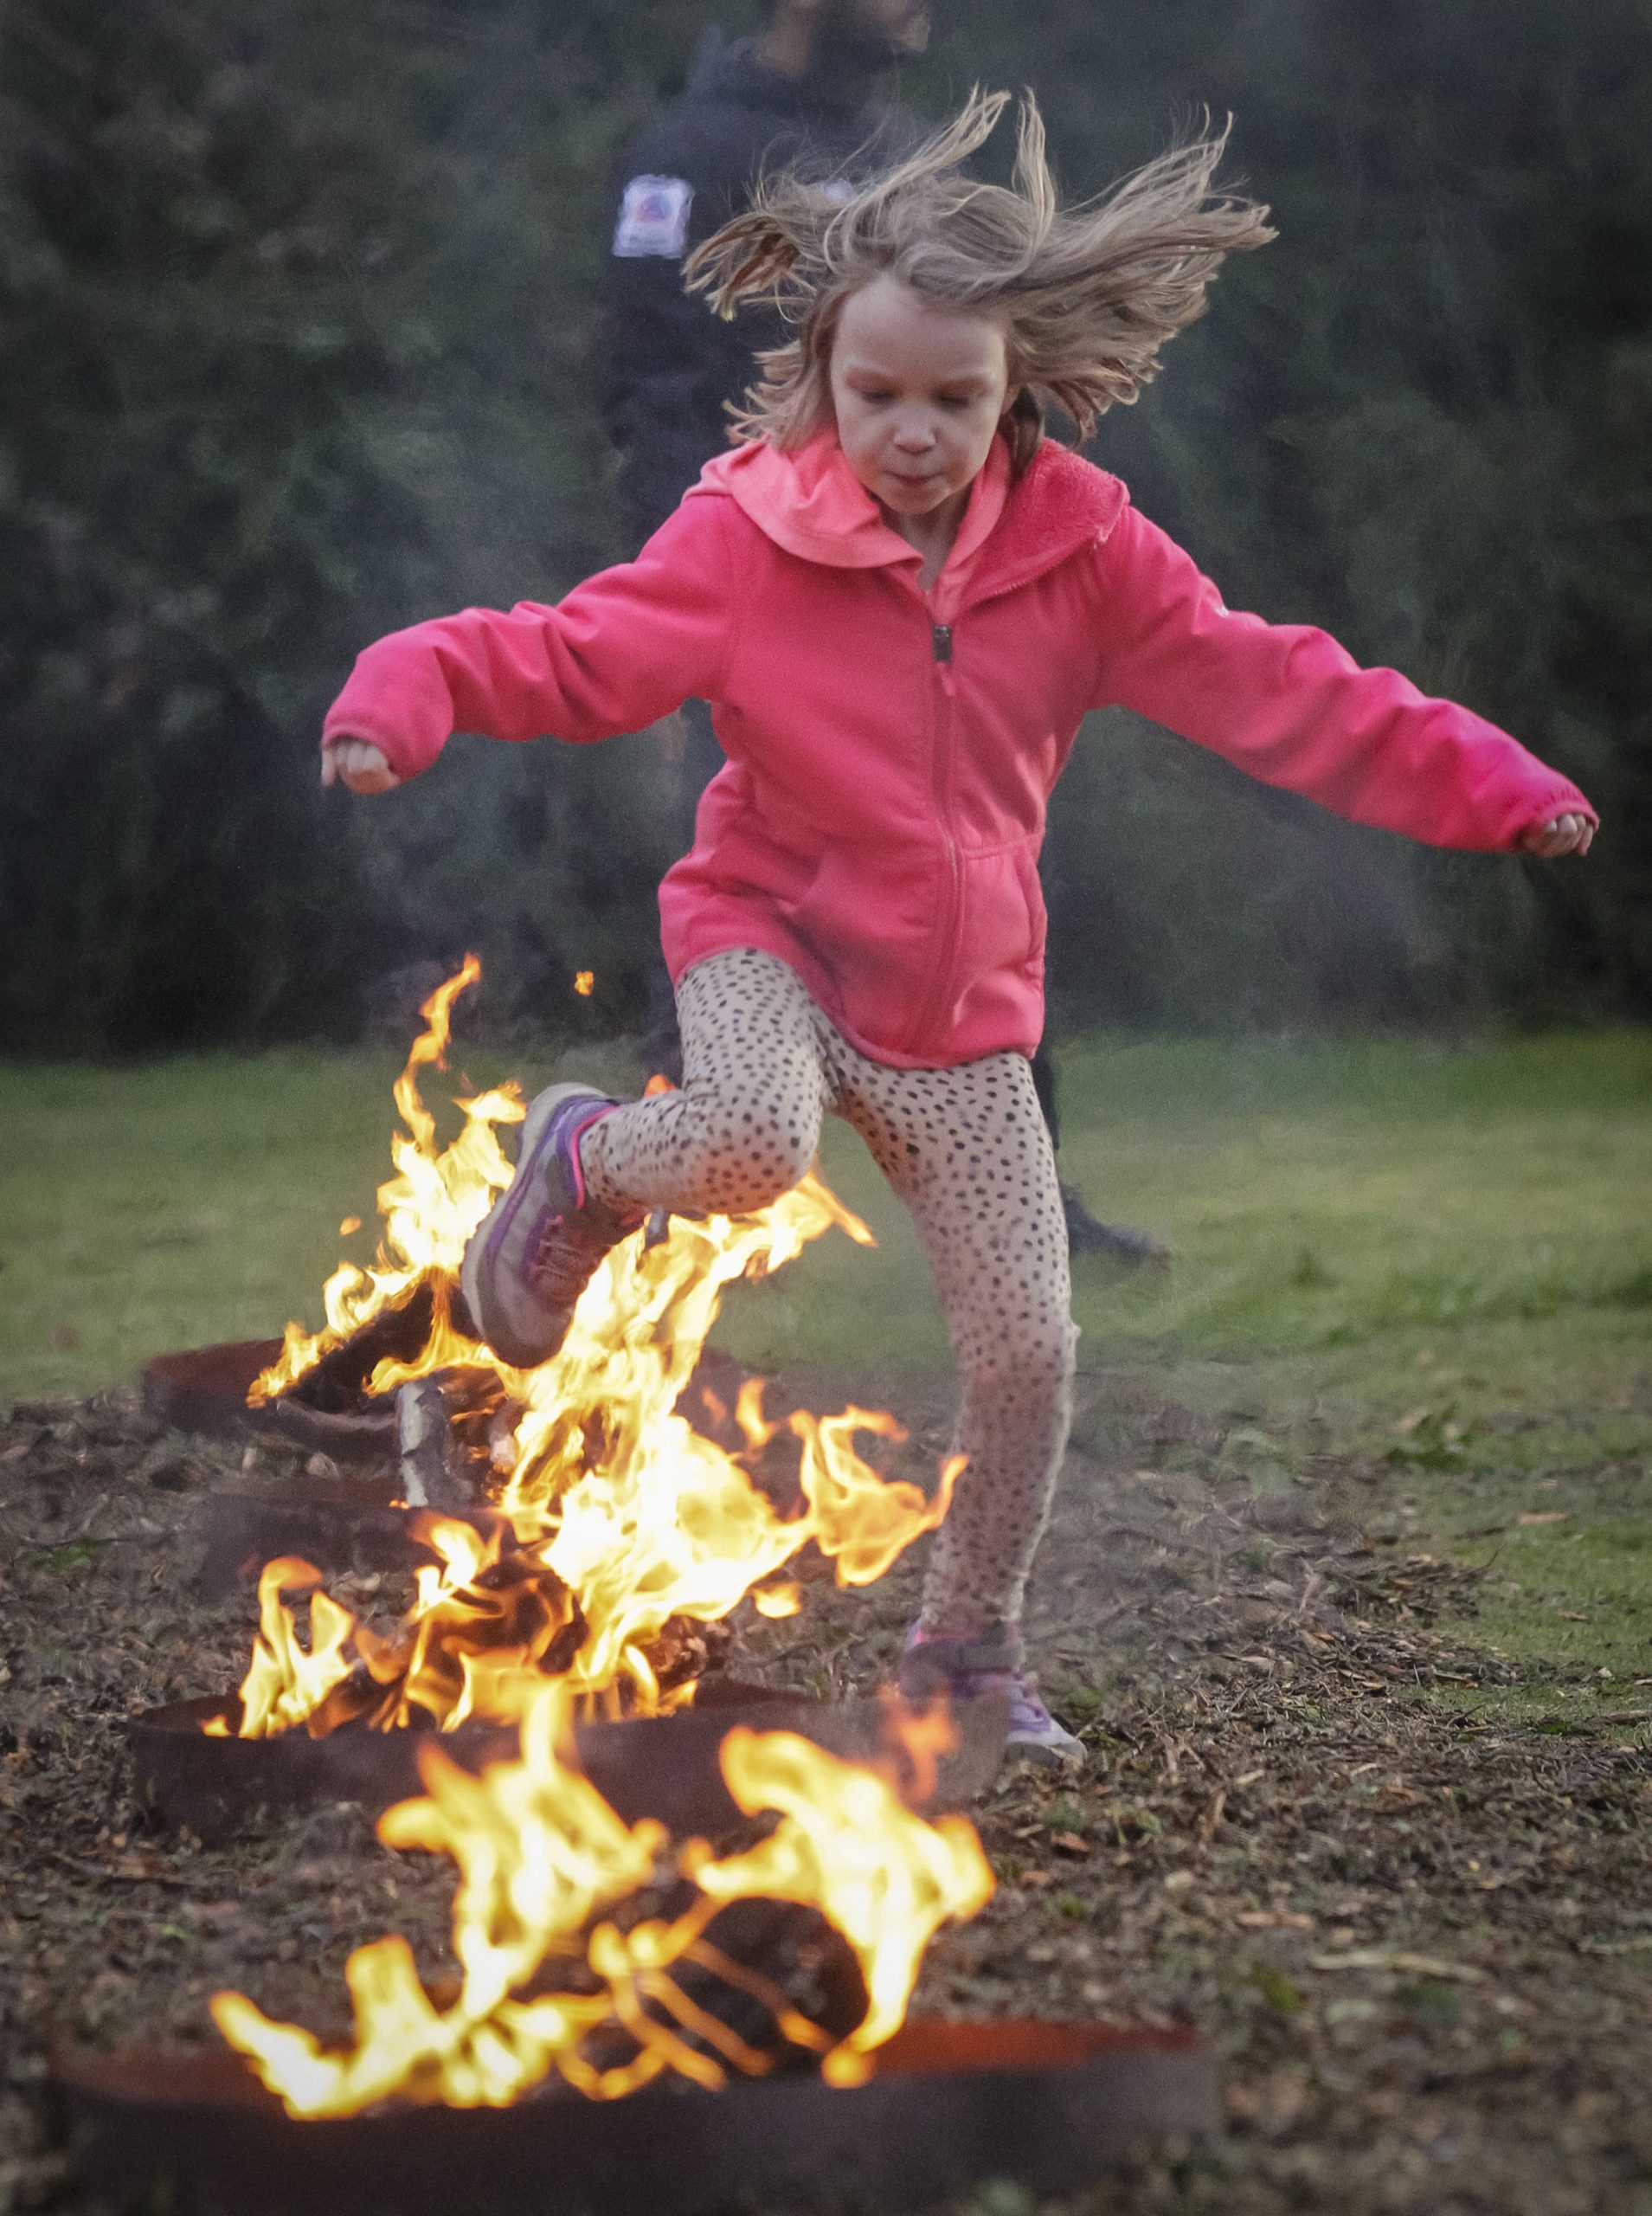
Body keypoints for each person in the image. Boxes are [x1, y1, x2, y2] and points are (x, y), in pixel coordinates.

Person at [319, 93, 1597, 1764]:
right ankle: (580, 1166)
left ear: (1016, 395)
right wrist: (395, 699)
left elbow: (1287, 691)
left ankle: (965, 1652)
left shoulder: (1092, 556)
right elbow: (564, 654)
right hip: (765, 927)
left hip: (961, 1005)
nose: (910, 431)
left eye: (952, 398)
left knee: (1028, 1353)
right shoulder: (745, 539)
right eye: (874, 395)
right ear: (821, 380)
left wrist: (1495, 784)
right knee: (755, 1144)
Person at [605, 0, 1158, 1263]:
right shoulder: (689, 154)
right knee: (739, 901)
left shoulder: (918, 148)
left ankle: (1031, 1214)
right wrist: (688, 602)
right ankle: (642, 1213)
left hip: (936, 610)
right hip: (762, 616)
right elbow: (649, 396)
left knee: (986, 880)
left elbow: (993, 374)